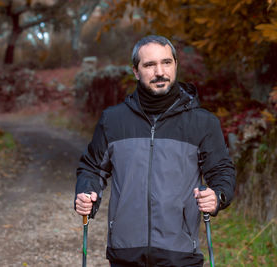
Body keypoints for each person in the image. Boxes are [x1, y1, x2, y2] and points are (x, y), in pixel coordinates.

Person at [74, 35, 235, 267]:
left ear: (175, 65)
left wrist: (217, 196)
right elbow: (91, 168)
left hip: (180, 253)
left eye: (166, 62)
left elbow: (221, 171)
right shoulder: (113, 120)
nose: (160, 71)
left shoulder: (202, 123)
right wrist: (86, 193)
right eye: (149, 65)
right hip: (125, 252)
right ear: (136, 71)